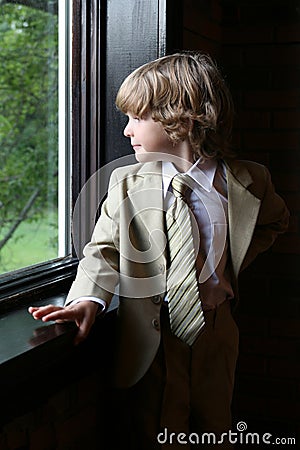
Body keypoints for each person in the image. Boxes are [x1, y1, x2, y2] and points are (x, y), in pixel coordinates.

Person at [29, 52, 289, 449]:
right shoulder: (126, 183)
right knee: (155, 431)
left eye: (136, 118)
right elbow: (104, 251)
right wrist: (87, 300)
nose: (127, 130)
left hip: (215, 334)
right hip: (151, 337)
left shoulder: (248, 180)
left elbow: (274, 222)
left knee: (215, 426)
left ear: (180, 118)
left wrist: (229, 268)